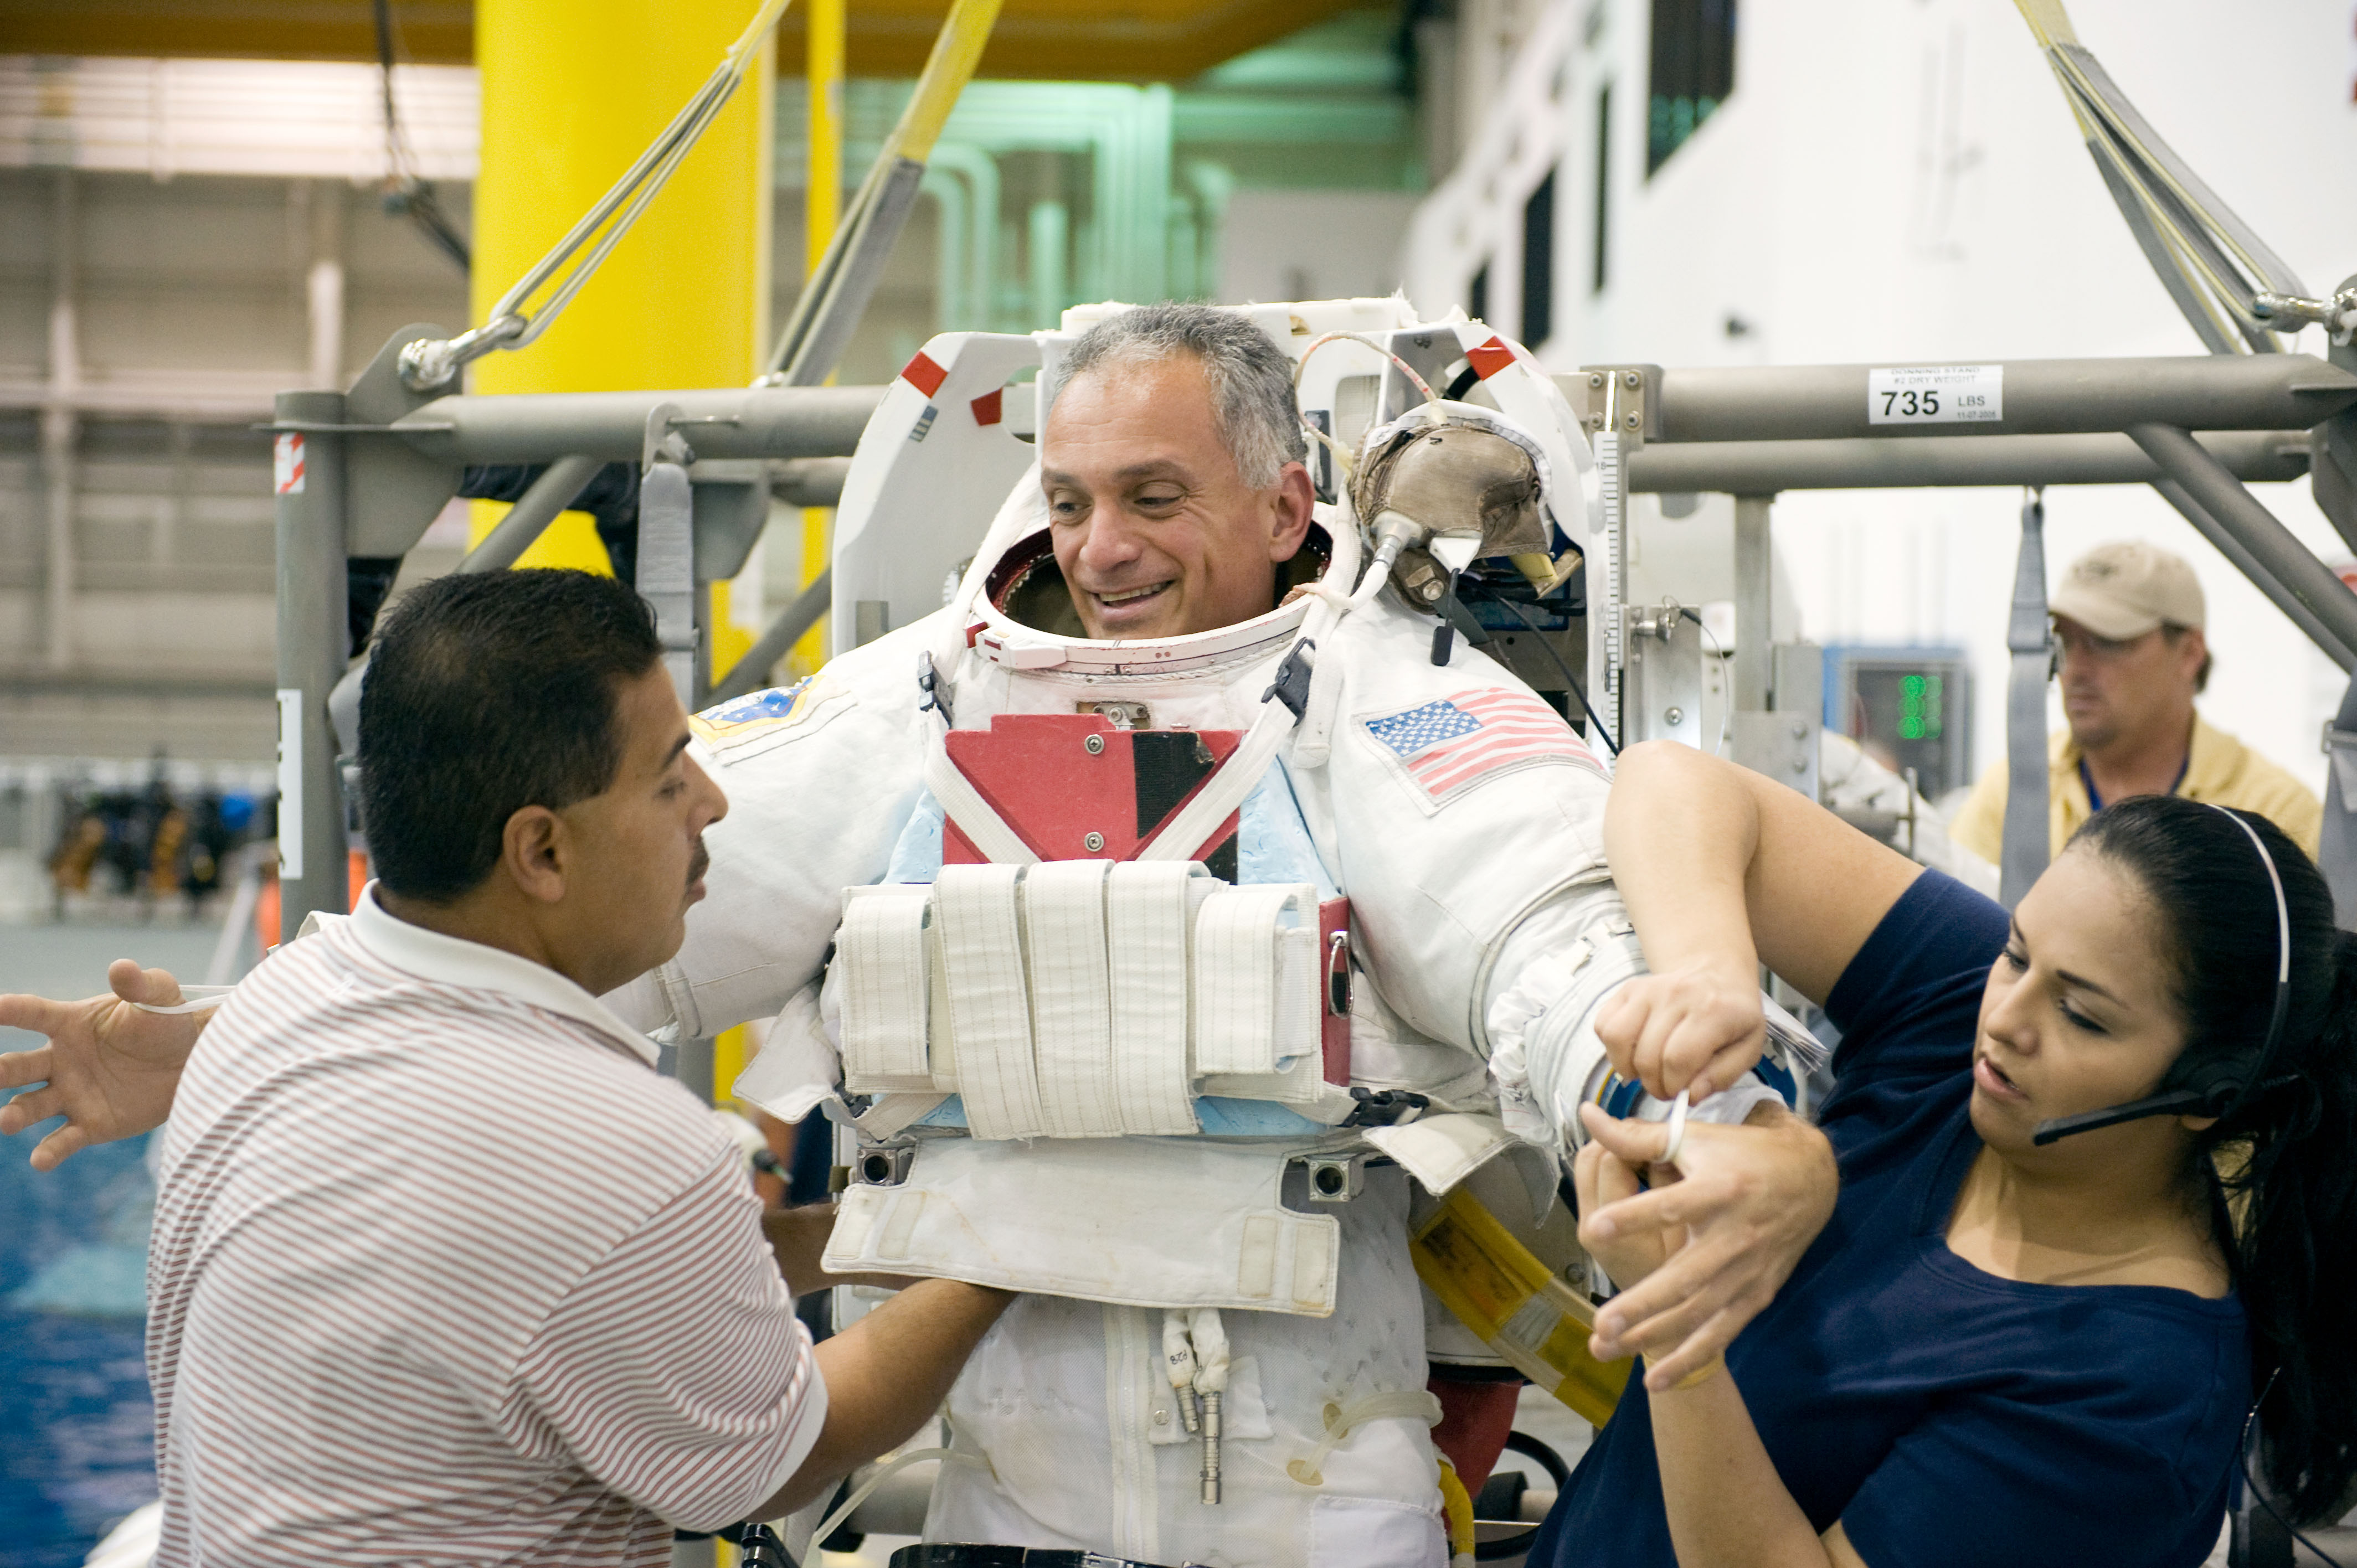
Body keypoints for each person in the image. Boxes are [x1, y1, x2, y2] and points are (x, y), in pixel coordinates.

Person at [5, 304, 1835, 1568]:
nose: (1102, 550)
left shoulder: (1384, 705)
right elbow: (551, 937)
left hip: (1318, 1492)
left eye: (1156, 500)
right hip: (1000, 1496)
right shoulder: (920, 705)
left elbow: (1551, 949)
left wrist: (1704, 1119)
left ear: (1289, 505)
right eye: (1071, 501)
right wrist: (236, 1032)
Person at [25, 569, 1013, 1567]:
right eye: (671, 777)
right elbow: (777, 1457)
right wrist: (1007, 1249)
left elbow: (574, 1277)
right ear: (540, 851)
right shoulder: (610, 1139)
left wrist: (858, 1239)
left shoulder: (271, 1008)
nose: (713, 804)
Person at [1527, 738, 2357, 1568]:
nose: (2005, 1019)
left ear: (2208, 1093)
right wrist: (1710, 971)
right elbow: (1672, 777)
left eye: (2082, 1017)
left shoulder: (2135, 1393)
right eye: (2017, 953)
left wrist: (1682, 1338)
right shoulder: (1968, 1018)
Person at [1951, 538, 2321, 860]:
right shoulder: (2012, 792)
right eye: (2065, 643)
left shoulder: (2277, 814)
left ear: (2189, 653)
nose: (2074, 670)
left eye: (2107, 642)